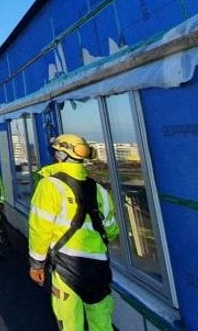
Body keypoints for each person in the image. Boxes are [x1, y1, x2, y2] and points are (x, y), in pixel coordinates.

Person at [28, 133, 120, 331]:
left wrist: (37, 264)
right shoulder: (99, 190)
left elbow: (40, 228)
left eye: (56, 151)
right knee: (102, 323)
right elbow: (112, 230)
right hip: (98, 266)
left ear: (61, 155)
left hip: (66, 265)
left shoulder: (50, 185)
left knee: (70, 322)